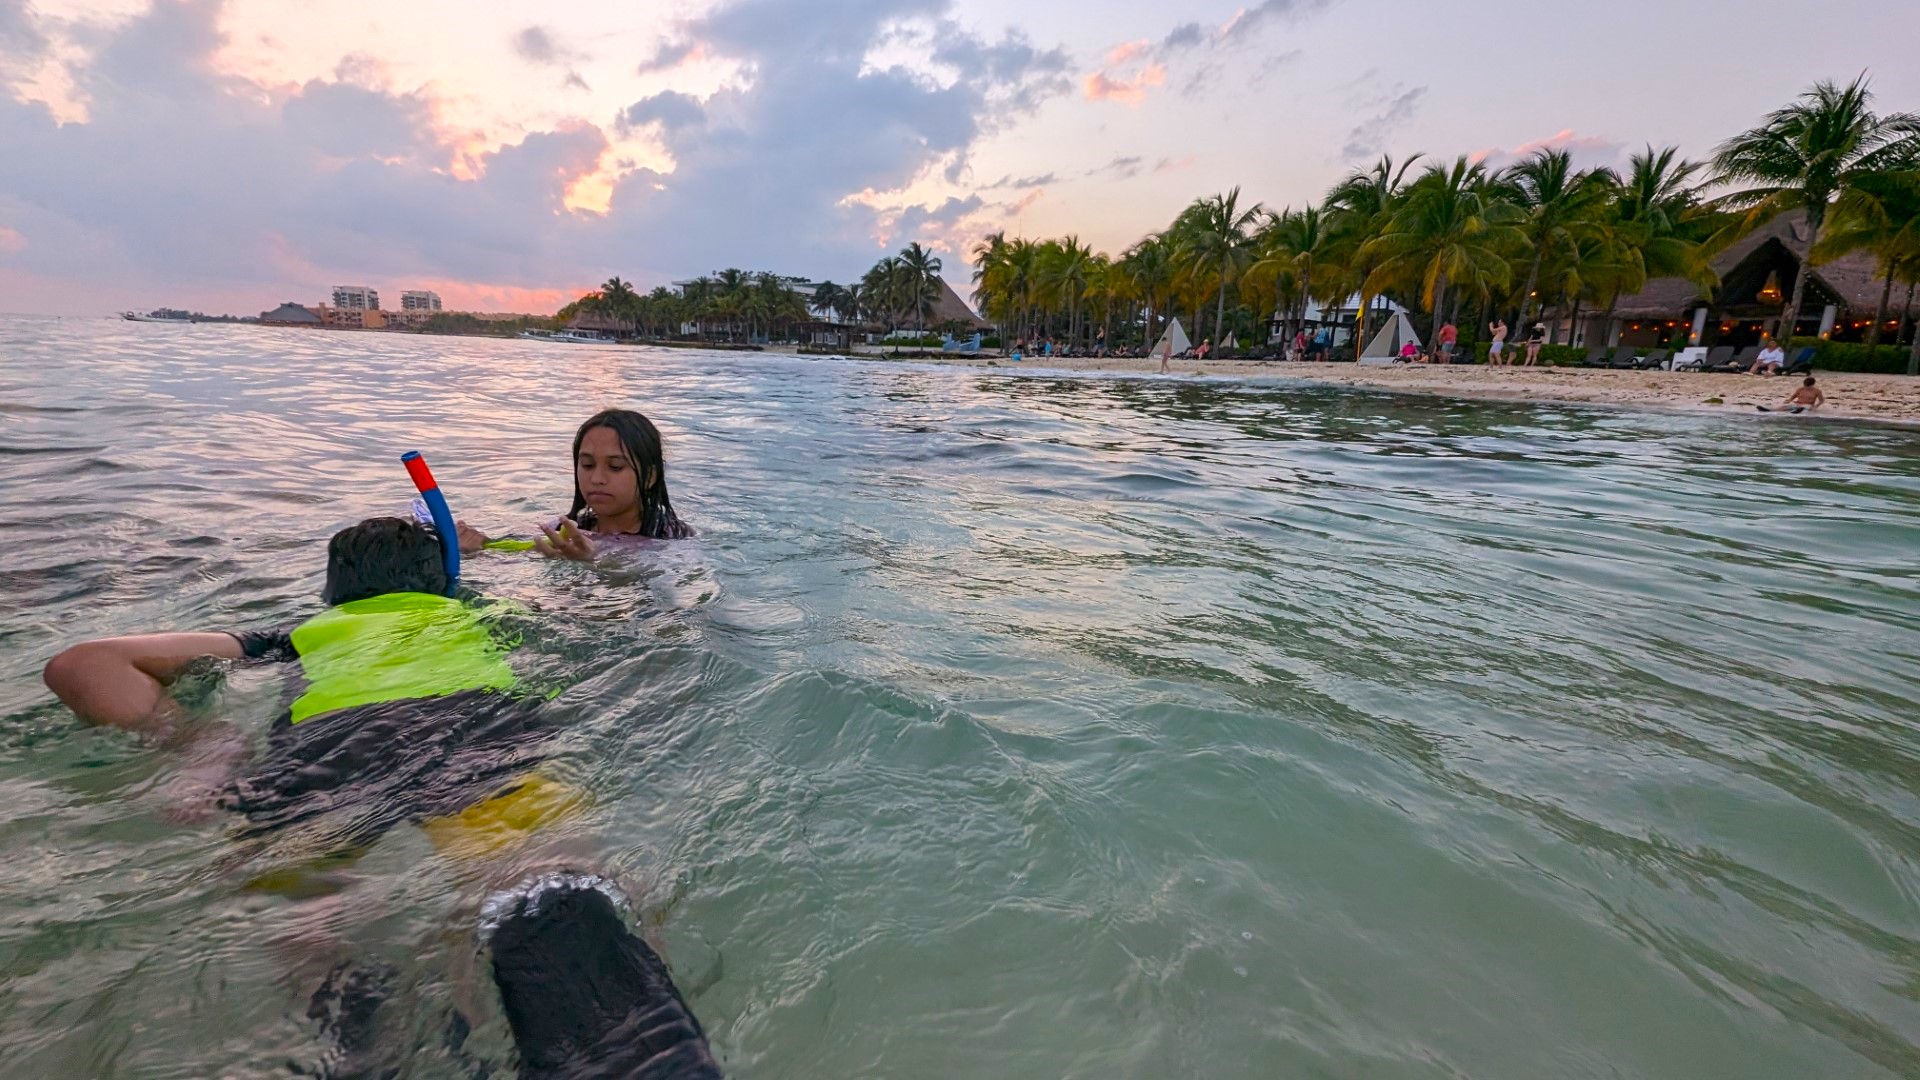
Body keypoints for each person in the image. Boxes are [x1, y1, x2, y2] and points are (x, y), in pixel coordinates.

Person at [41, 518, 722, 1076]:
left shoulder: (300, 636)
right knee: (553, 893)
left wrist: (202, 744)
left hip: (328, 754)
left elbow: (84, 664)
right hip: (475, 733)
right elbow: (608, 622)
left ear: (334, 594)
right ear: (442, 586)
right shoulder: (477, 614)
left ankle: (363, 1029)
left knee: (307, 921)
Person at [460, 409, 693, 563]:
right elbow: (517, 552)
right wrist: (479, 548)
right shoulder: (565, 531)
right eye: (588, 465)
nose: (597, 478)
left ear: (650, 476)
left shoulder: (672, 540)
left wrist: (594, 565)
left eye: (615, 467)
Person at [1760, 376, 1824, 413]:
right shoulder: (1801, 389)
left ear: (1812, 384)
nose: (1806, 387)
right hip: (1798, 403)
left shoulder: (1817, 391)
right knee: (1784, 407)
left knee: (1804, 408)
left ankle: (1796, 412)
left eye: (1808, 386)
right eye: (1805, 386)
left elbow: (1821, 400)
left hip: (1808, 405)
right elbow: (1794, 395)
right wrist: (1789, 400)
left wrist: (1816, 406)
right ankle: (1769, 410)